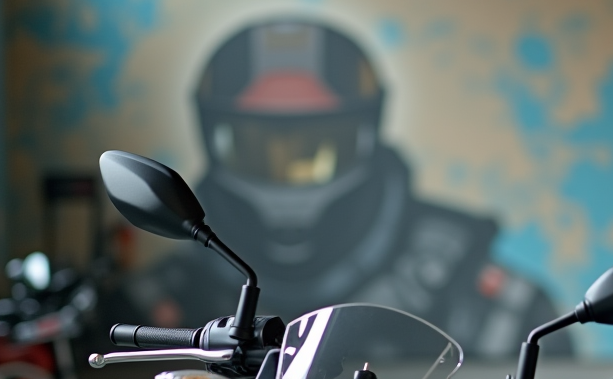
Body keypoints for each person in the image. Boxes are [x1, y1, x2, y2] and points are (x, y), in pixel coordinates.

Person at [117, 19, 570, 358]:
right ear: (212, 138)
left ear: (366, 134)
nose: (289, 176)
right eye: (257, 146)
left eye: (315, 149)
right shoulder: (158, 301)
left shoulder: (487, 303)